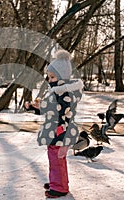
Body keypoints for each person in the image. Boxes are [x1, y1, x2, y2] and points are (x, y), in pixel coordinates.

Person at [36, 49, 83, 198]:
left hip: (61, 132)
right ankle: (56, 181)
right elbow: (51, 110)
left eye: (52, 76)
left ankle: (60, 187)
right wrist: (37, 108)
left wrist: (43, 106)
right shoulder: (57, 91)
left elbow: (61, 110)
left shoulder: (66, 93)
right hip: (55, 131)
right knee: (54, 158)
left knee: (57, 159)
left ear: (62, 77)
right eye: (48, 77)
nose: (49, 80)